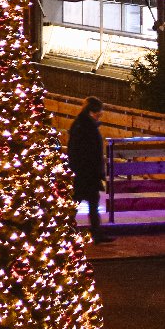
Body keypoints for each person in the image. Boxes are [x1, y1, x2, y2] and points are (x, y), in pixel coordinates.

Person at [67, 97, 111, 243]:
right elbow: (87, 151)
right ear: (93, 111)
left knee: (86, 202)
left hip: (85, 171)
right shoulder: (86, 127)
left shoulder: (83, 125)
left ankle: (92, 232)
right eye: (100, 111)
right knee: (81, 201)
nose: (101, 114)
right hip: (86, 172)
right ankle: (93, 233)